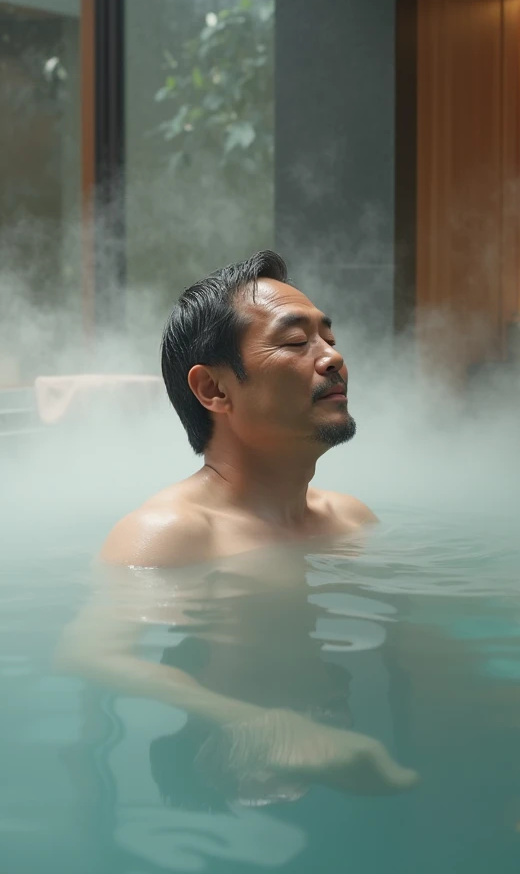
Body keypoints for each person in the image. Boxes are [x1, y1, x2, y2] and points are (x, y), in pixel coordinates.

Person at [58, 251, 417, 806]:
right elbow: (90, 653)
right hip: (231, 770)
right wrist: (264, 726)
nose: (332, 358)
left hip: (336, 748)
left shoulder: (350, 519)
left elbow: (412, 625)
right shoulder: (172, 533)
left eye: (329, 336)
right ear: (214, 391)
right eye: (296, 342)